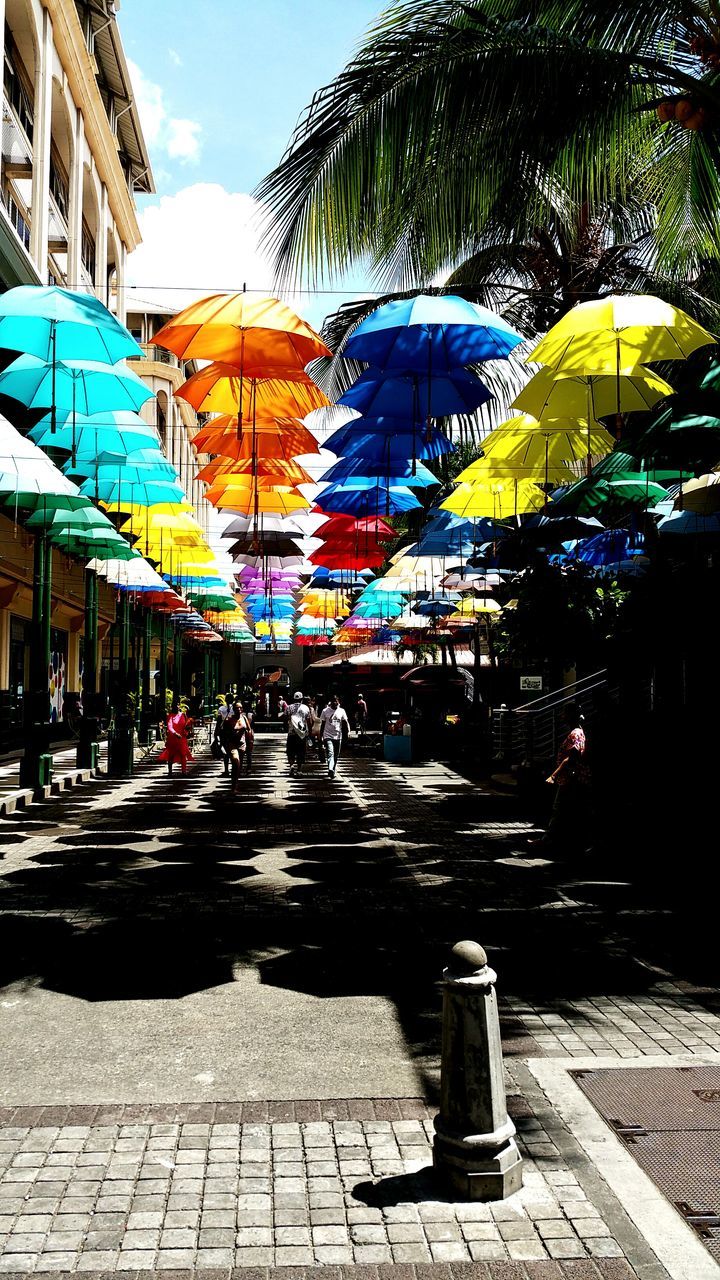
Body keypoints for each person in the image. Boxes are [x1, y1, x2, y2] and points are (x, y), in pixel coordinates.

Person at [529, 704, 591, 851]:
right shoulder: (578, 732)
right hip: (571, 778)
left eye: (564, 714)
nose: (562, 717)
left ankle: (549, 840)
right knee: (567, 809)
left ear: (571, 715)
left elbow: (571, 757)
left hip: (569, 779)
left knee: (559, 808)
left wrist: (554, 775)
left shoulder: (575, 733)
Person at [158, 698, 193, 776]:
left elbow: (186, 725)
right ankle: (170, 772)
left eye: (177, 705)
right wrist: (175, 733)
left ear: (179, 705)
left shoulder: (183, 715)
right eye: (173, 705)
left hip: (182, 738)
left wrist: (188, 730)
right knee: (171, 755)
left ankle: (184, 772)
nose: (176, 707)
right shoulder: (170, 716)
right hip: (173, 738)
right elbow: (169, 727)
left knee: (183, 754)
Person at [222, 700, 249, 793]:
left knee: (238, 766)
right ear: (233, 709)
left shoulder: (244, 718)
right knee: (236, 761)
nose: (239, 709)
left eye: (240, 707)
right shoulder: (229, 720)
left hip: (242, 744)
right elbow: (224, 733)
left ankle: (235, 784)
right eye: (237, 707)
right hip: (232, 744)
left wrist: (249, 741)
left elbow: (249, 730)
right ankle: (233, 787)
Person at [320, 694, 350, 779]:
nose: (335, 703)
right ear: (331, 702)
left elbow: (345, 722)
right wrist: (321, 736)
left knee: (336, 755)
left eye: (336, 701)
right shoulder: (325, 711)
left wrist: (347, 732)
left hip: (338, 736)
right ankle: (330, 769)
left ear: (338, 702)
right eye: (333, 701)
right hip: (327, 735)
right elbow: (322, 724)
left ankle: (332, 769)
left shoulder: (342, 711)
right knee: (330, 753)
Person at [286, 691, 312, 776]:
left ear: (294, 699)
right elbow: (309, 721)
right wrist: (310, 732)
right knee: (301, 751)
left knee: (290, 751)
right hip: (302, 733)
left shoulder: (289, 707)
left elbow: (285, 719)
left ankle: (292, 765)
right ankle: (299, 769)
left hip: (291, 733)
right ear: (301, 699)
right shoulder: (306, 708)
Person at [242, 699, 255, 774]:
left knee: (242, 750)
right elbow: (253, 724)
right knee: (249, 752)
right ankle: (249, 767)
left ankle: (240, 766)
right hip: (250, 732)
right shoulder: (251, 714)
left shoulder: (241, 714)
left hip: (242, 732)